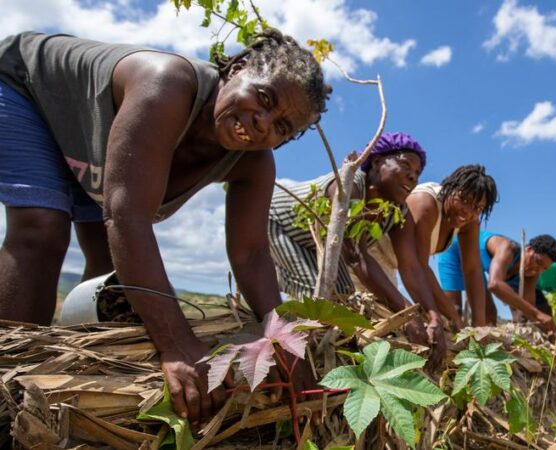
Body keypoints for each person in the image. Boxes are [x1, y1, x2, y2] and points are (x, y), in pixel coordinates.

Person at [0, 30, 330, 425]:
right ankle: (8, 385)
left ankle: (73, 390)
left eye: (282, 128)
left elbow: (252, 254)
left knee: (112, 276)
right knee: (42, 231)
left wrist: (281, 341)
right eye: (264, 99)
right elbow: (127, 217)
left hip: (87, 138)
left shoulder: (253, 164)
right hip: (25, 88)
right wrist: (177, 345)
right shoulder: (168, 85)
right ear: (238, 69)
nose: (263, 124)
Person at [268, 132, 447, 365]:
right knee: (322, 307)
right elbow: (355, 257)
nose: (413, 176)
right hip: (279, 224)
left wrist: (433, 316)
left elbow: (411, 267)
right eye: (405, 165)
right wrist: (406, 315)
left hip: (321, 249)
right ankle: (294, 360)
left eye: (417, 173)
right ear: (376, 161)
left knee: (344, 299)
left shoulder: (398, 211)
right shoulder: (350, 187)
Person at [356, 165, 498, 329]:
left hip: (391, 269)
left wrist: (478, 326)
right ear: (450, 188)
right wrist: (452, 315)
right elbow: (417, 267)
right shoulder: (425, 204)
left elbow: (473, 270)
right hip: (366, 260)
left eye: (477, 208)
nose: (467, 212)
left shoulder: (470, 221)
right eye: (463, 200)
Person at [439, 231, 556, 334]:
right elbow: (495, 285)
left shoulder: (532, 272)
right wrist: (538, 314)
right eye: (538, 262)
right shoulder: (508, 248)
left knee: (489, 315)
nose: (537, 269)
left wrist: (549, 332)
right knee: (454, 311)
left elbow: (528, 307)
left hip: (475, 264)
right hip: (454, 251)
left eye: (543, 268)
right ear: (528, 250)